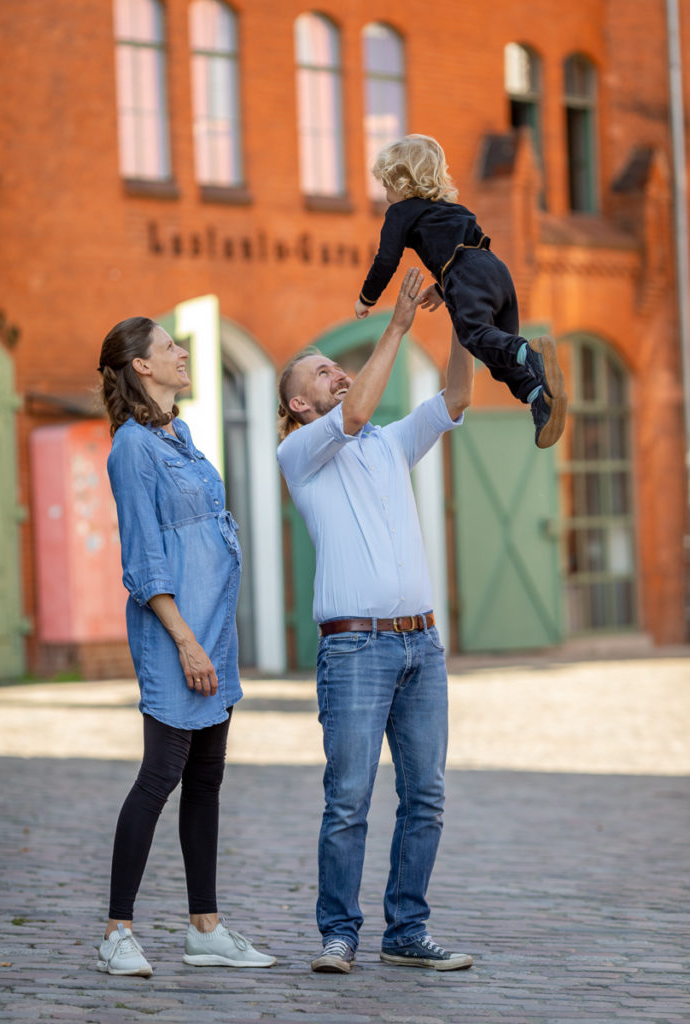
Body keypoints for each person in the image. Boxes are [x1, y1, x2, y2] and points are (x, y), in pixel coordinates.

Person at [277, 268, 474, 974]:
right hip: (354, 650)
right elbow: (353, 414)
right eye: (324, 372)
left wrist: (463, 323)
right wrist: (395, 325)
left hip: (422, 644)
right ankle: (338, 933)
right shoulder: (300, 454)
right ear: (300, 404)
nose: (336, 375)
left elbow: (453, 398)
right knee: (350, 798)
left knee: (425, 795)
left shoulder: (389, 444)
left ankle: (406, 930)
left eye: (337, 367)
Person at [95, 317, 276, 977]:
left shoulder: (182, 434)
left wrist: (210, 642)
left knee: (205, 780)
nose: (182, 351)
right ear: (141, 367)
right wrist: (185, 643)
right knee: (159, 777)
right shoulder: (132, 449)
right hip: (178, 638)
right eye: (169, 345)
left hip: (213, 634)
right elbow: (144, 562)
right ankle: (117, 932)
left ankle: (205, 929)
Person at [355, 133, 567, 450]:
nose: (385, 195)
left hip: (465, 275)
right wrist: (442, 289)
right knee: (499, 359)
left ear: (402, 182)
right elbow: (467, 248)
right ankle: (540, 398)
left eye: (386, 185)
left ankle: (530, 353)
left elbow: (386, 260)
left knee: (476, 336)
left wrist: (366, 298)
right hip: (496, 270)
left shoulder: (400, 212)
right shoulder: (452, 209)